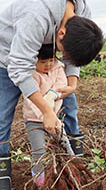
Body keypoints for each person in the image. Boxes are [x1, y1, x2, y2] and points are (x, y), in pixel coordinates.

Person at [0, 0, 103, 189]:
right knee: (0, 119)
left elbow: (72, 55)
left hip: (40, 57)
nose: (62, 55)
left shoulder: (81, 16)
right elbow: (18, 67)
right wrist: (46, 111)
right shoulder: (36, 14)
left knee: (68, 109)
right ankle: (1, 184)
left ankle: (74, 169)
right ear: (61, 33)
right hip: (2, 59)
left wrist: (72, 84)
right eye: (62, 51)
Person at [22, 44, 74, 187]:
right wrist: (45, 117)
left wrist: (53, 94)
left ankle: (74, 170)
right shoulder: (30, 76)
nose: (48, 65)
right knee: (39, 151)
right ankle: (40, 182)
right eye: (43, 62)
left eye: (50, 60)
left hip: (54, 117)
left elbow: (61, 84)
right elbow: (33, 101)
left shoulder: (58, 68)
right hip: (34, 120)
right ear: (34, 61)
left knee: (65, 144)